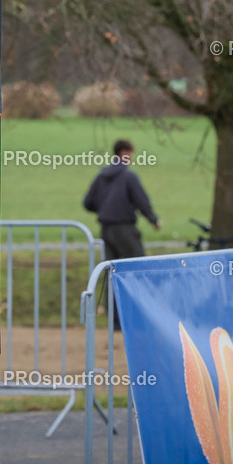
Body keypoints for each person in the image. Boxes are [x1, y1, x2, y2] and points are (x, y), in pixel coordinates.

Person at [83, 140, 161, 329]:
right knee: (137, 270)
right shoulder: (128, 176)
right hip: (125, 229)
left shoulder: (101, 176)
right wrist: (153, 219)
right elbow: (141, 200)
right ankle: (137, 318)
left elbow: (88, 202)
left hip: (106, 230)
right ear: (125, 152)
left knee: (112, 274)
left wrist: (105, 209)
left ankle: (116, 321)